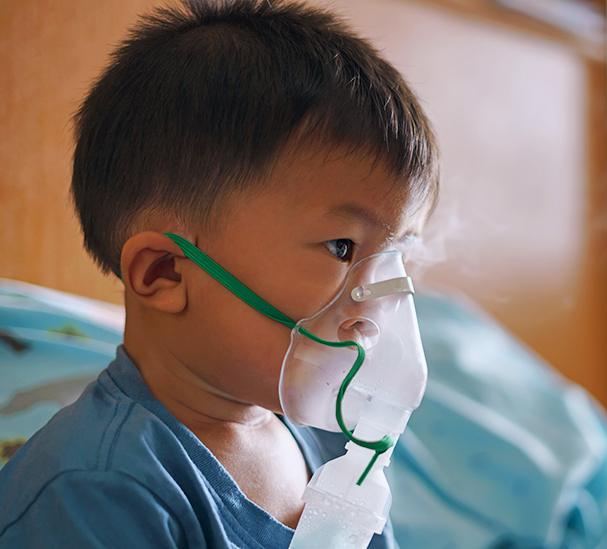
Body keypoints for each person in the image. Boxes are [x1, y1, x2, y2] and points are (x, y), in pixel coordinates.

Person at [0, 1, 438, 546]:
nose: (378, 306)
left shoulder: (329, 445)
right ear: (166, 272)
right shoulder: (97, 489)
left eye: (397, 256)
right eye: (343, 247)